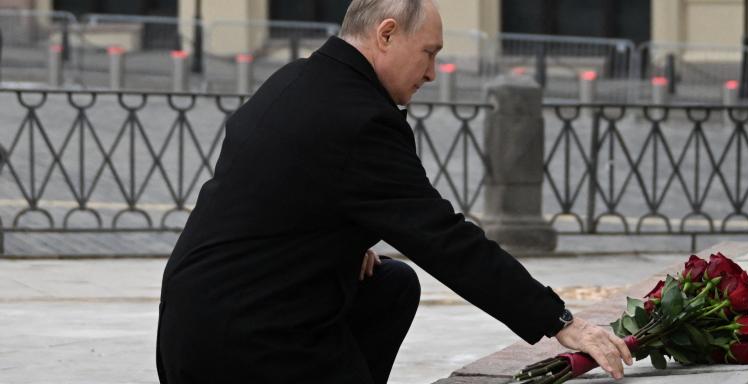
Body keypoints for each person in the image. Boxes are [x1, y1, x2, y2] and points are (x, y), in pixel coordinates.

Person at [156, 1, 633, 383]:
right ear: (386, 35)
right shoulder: (360, 119)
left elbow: (276, 188)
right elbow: (444, 239)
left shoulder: (297, 79)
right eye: (429, 53)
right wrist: (561, 321)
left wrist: (349, 235)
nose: (431, 73)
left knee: (391, 285)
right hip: (253, 345)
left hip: (191, 324)